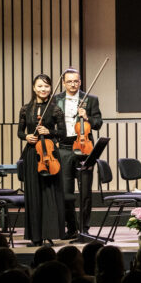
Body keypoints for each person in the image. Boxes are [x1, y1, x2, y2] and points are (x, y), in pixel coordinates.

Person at [53, 67, 103, 238]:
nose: (73, 84)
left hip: (85, 149)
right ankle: (72, 227)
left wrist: (87, 116)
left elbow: (98, 123)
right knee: (66, 193)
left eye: (76, 81)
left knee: (85, 193)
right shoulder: (56, 100)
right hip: (64, 149)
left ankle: (84, 228)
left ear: (80, 81)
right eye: (69, 81)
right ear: (63, 82)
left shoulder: (91, 99)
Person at [18, 74, 67, 244]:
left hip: (50, 153)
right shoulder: (26, 109)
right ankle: (35, 236)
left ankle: (49, 232)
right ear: (34, 88)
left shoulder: (55, 109)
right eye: (40, 86)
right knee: (34, 194)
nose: (43, 89)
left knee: (49, 193)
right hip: (33, 153)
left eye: (46, 86)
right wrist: (26, 137)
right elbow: (19, 132)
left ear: (50, 88)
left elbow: (63, 134)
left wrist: (49, 132)